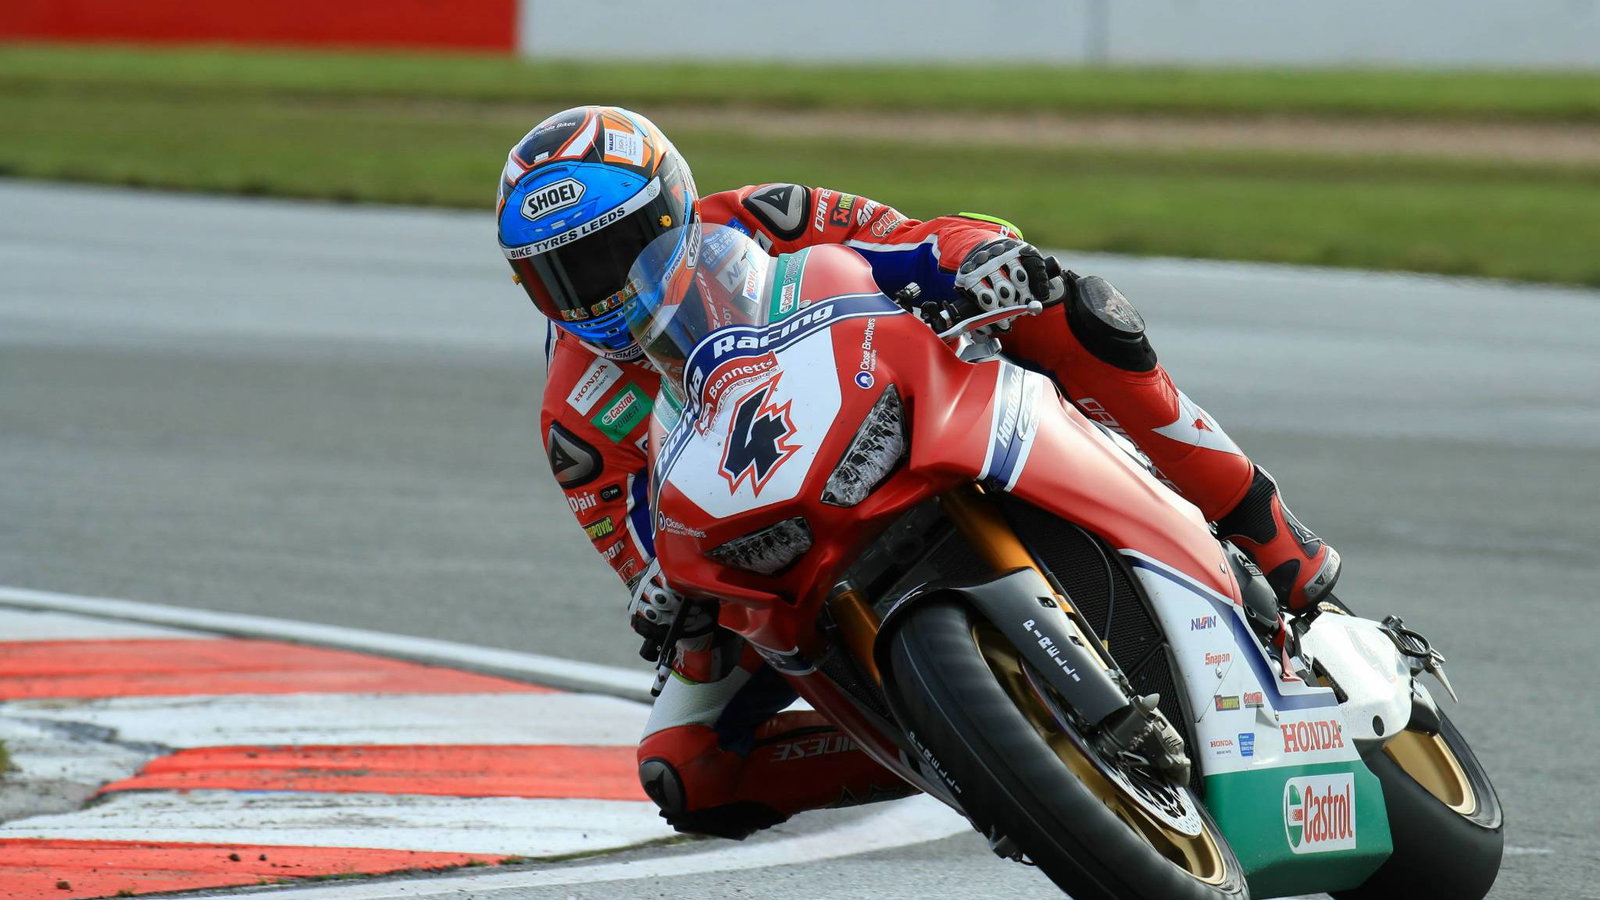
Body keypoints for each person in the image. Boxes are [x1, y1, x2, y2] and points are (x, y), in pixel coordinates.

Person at [497, 106, 1341, 838]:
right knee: (683, 770)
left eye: (621, 252)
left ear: (674, 206)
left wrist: (978, 259)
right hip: (781, 542)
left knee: (1071, 307)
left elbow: (910, 239)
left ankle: (1267, 530)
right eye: (563, 276)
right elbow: (651, 562)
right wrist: (661, 595)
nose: (603, 293)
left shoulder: (767, 218)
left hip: (896, 406)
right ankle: (974, 754)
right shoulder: (578, 419)